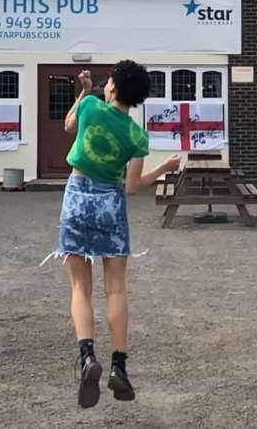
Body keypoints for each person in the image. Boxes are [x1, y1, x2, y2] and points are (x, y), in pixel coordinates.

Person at [48, 61, 181, 409]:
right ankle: (119, 366)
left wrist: (84, 90)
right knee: (116, 288)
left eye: (108, 83)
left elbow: (68, 125)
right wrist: (165, 168)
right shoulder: (138, 136)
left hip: (77, 195)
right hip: (111, 202)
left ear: (114, 89)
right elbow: (134, 186)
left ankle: (88, 357)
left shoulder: (91, 105)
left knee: (80, 286)